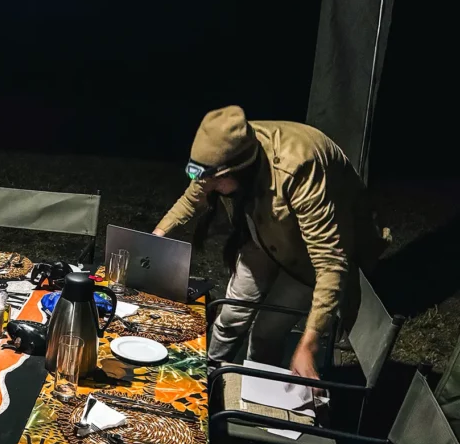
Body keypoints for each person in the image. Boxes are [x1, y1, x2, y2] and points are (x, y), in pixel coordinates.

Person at [153, 106, 388, 378]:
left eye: (212, 179)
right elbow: (194, 196)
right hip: (263, 236)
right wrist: (156, 237)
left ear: (238, 171)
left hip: (307, 258)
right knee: (231, 316)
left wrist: (308, 344)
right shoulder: (221, 149)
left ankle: (255, 393)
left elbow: (329, 263)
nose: (203, 183)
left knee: (266, 332)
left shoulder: (300, 166)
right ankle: (206, 377)